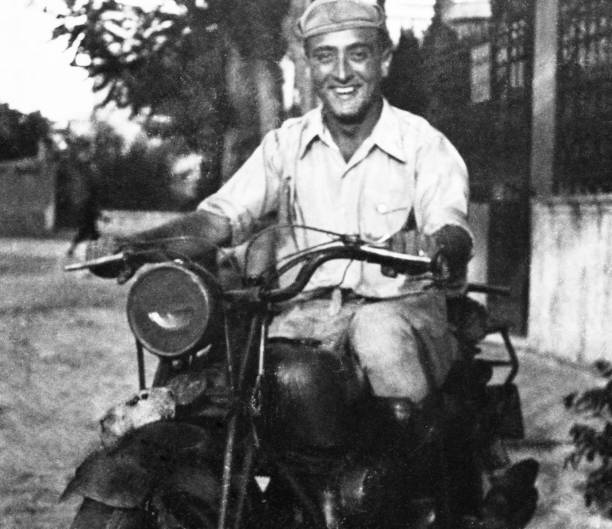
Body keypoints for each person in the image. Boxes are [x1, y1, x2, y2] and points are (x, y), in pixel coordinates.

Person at [89, 0, 473, 430]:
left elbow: (452, 226)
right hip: (306, 313)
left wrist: (432, 243)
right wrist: (138, 246)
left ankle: (412, 489)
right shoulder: (284, 145)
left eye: (358, 54)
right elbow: (218, 219)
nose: (342, 73)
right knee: (237, 379)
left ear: (383, 59)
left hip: (398, 309)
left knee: (378, 338)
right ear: (308, 64)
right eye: (326, 56)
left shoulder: (423, 144)